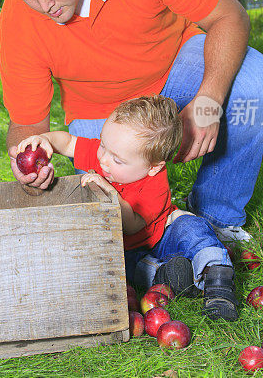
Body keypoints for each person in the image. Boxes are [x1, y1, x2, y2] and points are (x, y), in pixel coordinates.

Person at [0, 0, 263, 244]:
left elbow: (230, 17)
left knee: (259, 89)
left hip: (175, 65)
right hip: (100, 112)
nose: (45, 7)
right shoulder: (17, 22)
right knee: (116, 215)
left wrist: (208, 100)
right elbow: (27, 124)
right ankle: (153, 242)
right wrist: (25, 160)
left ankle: (215, 217)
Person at [17, 95, 238, 320]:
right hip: (128, 248)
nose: (103, 160)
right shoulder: (108, 154)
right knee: (131, 269)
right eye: (103, 145)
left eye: (118, 160)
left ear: (153, 167)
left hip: (162, 234)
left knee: (192, 228)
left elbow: (132, 225)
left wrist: (110, 193)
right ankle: (169, 276)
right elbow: (68, 142)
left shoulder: (155, 184)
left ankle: (216, 276)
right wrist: (45, 140)